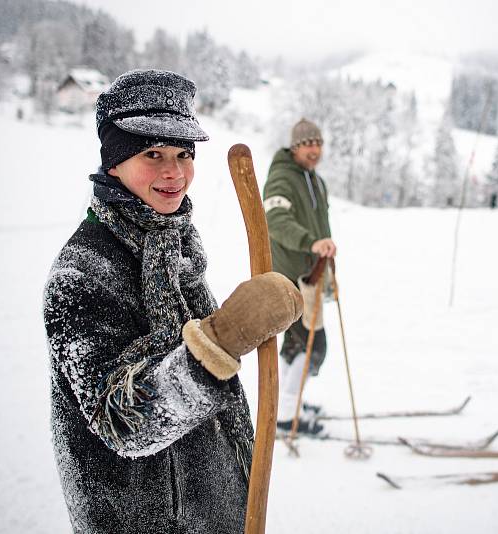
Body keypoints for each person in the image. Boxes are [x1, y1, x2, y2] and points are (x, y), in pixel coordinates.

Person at [43, 69, 303, 533]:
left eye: (184, 154)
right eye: (153, 154)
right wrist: (223, 339)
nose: (175, 172)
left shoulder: (173, 247)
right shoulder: (81, 274)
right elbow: (122, 420)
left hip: (215, 514)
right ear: (114, 162)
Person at [263, 118, 335, 435]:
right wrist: (309, 243)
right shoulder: (282, 178)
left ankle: (291, 405)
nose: (315, 149)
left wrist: (328, 267)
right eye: (308, 144)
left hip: (312, 274)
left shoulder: (315, 181)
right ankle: (286, 416)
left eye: (318, 143)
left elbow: (323, 229)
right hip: (290, 278)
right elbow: (275, 219)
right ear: (295, 147)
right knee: (310, 345)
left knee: (297, 347)